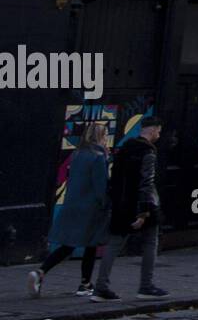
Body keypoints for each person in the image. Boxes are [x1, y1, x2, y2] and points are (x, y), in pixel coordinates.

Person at [29, 121, 110, 298]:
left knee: (68, 245)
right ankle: (85, 283)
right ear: (101, 137)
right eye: (105, 136)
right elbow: (100, 187)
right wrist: (106, 204)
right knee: (91, 245)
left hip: (72, 204)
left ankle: (41, 272)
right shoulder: (98, 157)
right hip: (90, 208)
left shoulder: (77, 154)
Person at [93, 116, 166, 301]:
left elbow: (115, 178)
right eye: (158, 131)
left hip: (121, 204)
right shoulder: (148, 151)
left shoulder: (124, 148)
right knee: (150, 242)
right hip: (141, 204)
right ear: (152, 129)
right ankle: (146, 286)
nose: (159, 135)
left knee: (114, 244)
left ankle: (101, 287)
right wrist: (144, 211)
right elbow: (146, 182)